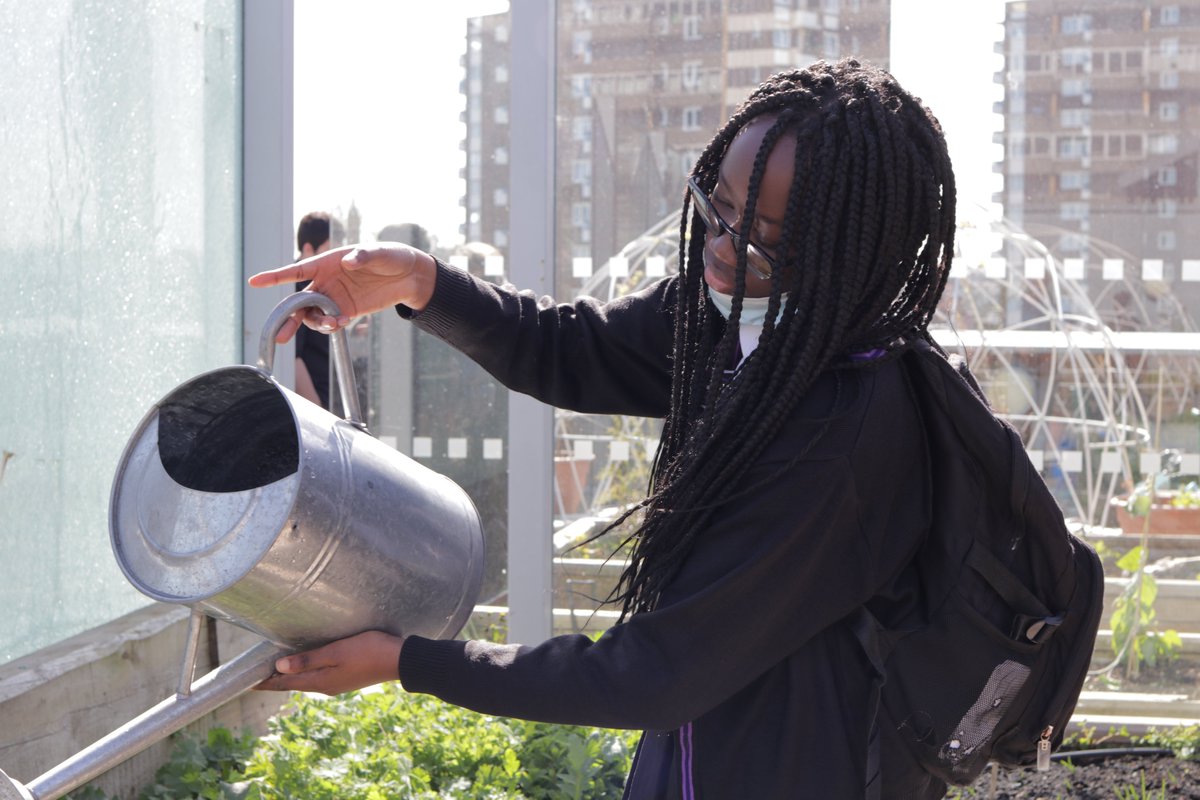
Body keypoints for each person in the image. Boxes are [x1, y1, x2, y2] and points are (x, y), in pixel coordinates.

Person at [251, 58, 956, 799]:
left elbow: (656, 671)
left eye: (757, 241)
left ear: (849, 255)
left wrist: (410, 662)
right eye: (715, 210)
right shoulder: (738, 322)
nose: (717, 253)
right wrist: (422, 284)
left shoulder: (846, 436)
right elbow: (573, 349)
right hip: (697, 754)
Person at [293, 211, 345, 407]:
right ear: (308, 249)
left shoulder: (323, 288)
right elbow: (292, 356)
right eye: (330, 251)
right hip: (316, 409)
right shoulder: (297, 289)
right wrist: (317, 410)